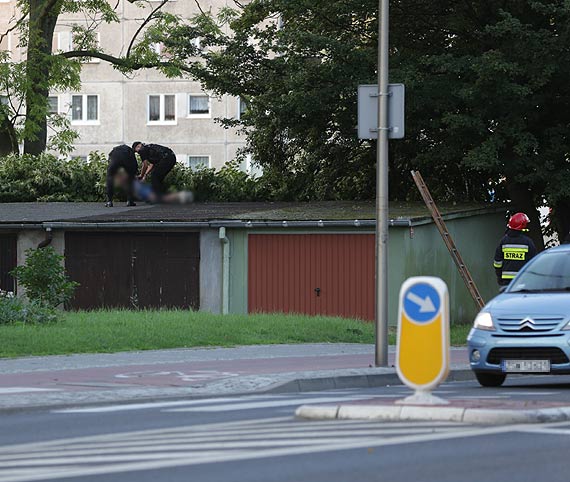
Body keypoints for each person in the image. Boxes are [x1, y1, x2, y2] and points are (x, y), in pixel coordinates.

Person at [493, 212, 537, 286]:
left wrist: (499, 276)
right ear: (523, 225)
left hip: (506, 282)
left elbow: (497, 262)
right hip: (523, 280)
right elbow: (534, 262)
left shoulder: (503, 241)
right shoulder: (527, 242)